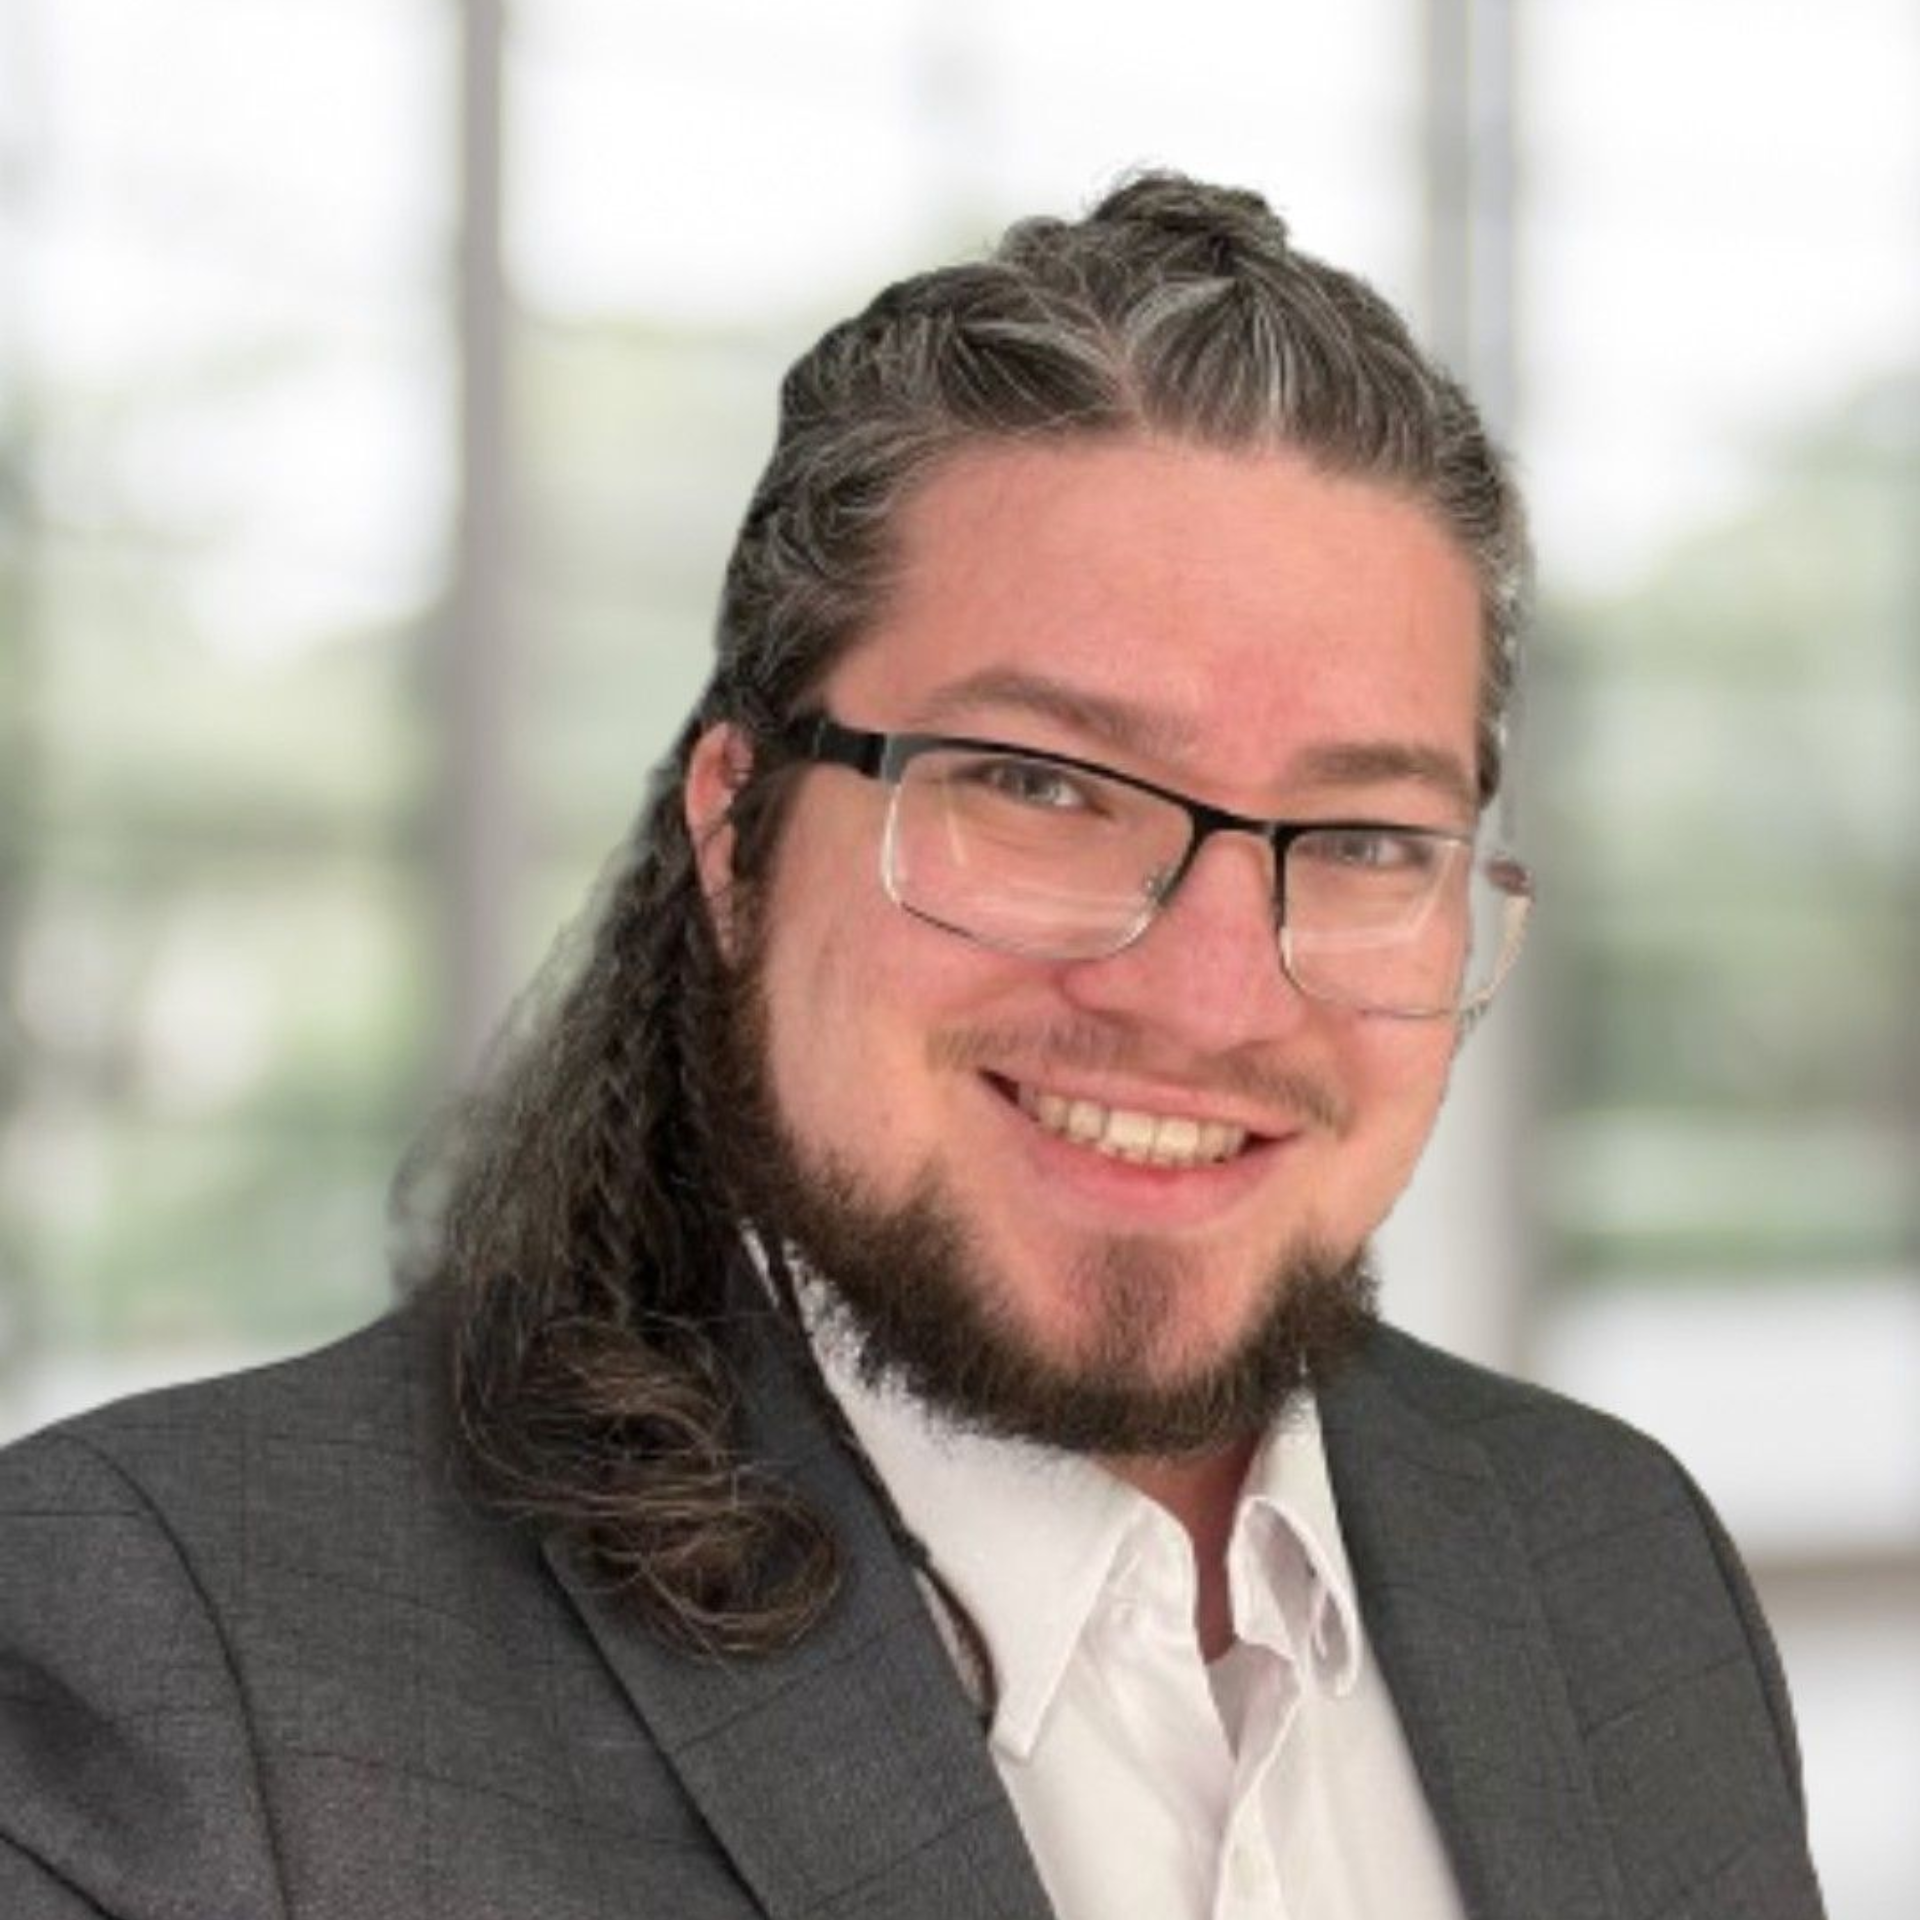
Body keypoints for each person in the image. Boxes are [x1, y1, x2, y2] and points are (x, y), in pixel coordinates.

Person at [0, 175, 1825, 1920]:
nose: (1209, 1000)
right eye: (1041, 788)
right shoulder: (184, 1657)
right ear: (737, 837)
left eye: (1361, 840)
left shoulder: (1613, 1559)